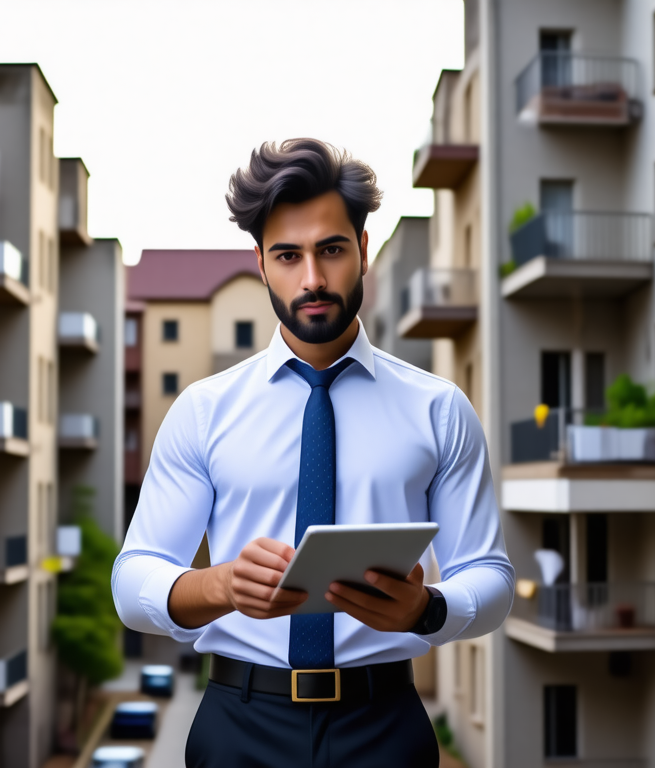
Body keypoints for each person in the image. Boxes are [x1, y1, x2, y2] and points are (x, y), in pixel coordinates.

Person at [112, 138, 514, 768]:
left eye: (331, 250)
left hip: (385, 727)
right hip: (239, 724)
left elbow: (491, 579)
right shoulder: (203, 410)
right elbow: (132, 581)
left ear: (363, 250)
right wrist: (220, 585)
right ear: (260, 263)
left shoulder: (438, 409)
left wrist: (427, 607)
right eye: (287, 255)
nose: (313, 279)